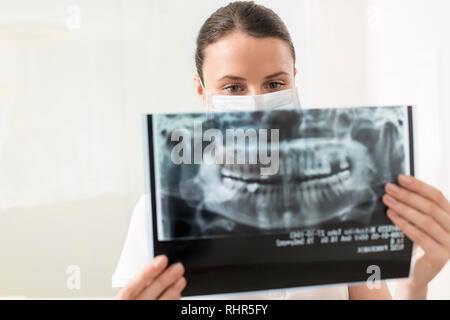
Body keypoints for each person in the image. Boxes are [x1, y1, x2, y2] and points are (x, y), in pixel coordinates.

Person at [112, 1, 450, 300]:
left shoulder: (347, 202)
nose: (257, 101)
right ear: (202, 91)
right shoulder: (157, 214)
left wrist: (413, 286)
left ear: (294, 79)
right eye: (233, 87)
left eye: (274, 84)